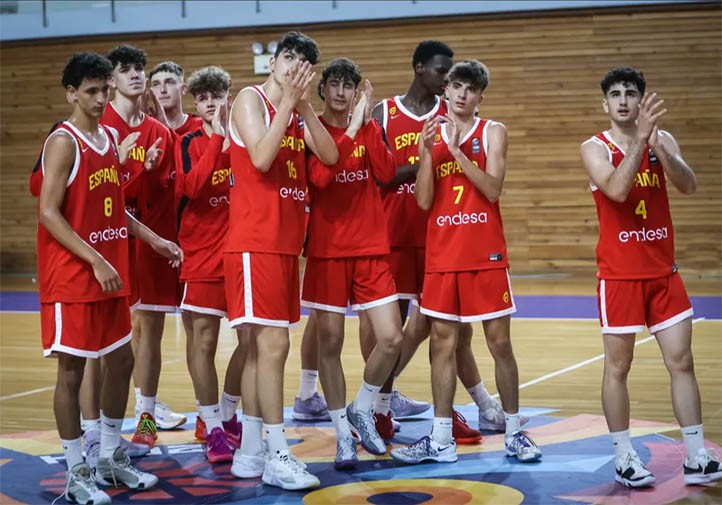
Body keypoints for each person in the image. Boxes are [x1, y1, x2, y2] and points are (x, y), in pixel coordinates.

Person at [37, 51, 181, 504]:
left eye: (104, 90)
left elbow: (113, 207)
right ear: (72, 93)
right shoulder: (64, 141)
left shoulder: (105, 139)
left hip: (110, 273)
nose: (100, 99)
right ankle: (76, 472)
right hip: (74, 277)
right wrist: (96, 259)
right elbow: (48, 212)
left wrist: (154, 240)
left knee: (121, 362)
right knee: (72, 371)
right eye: (92, 91)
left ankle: (111, 459)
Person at [391, 60, 541, 464]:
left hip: (484, 254)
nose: (460, 94)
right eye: (455, 86)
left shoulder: (493, 131)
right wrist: (427, 152)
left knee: (499, 343)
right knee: (442, 345)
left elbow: (493, 188)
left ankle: (513, 432)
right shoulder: (432, 135)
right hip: (442, 255)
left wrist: (455, 150)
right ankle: (440, 439)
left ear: (480, 96)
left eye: (469, 89)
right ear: (446, 91)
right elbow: (423, 201)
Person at [579, 67, 721, 487]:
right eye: (616, 94)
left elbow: (689, 185)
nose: (624, 100)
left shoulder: (663, 141)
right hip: (620, 276)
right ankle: (624, 457)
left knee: (682, 362)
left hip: (664, 272)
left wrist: (665, 151)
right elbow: (618, 191)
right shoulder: (594, 147)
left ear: (642, 101)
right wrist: (641, 143)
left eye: (631, 93)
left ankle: (696, 454)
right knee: (618, 367)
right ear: (605, 104)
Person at [370, 41, 512, 442]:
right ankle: (379, 406)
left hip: (440, 237)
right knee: (389, 328)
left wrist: (440, 155)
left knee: (449, 331)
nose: (450, 83)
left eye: (456, 79)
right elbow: (379, 174)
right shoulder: (385, 111)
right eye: (443, 75)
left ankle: (473, 406)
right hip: (395, 232)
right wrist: (423, 161)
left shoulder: (456, 116)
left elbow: (482, 173)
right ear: (420, 69)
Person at [225, 31, 338, 490]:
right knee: (273, 347)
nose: (294, 66)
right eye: (288, 58)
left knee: (260, 351)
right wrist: (290, 104)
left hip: (285, 246)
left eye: (303, 63)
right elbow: (262, 157)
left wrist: (305, 105)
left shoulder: (296, 112)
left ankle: (250, 451)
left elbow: (329, 156)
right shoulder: (251, 101)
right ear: (273, 63)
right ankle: (275, 453)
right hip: (255, 243)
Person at [302, 58, 403, 469]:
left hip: (370, 249)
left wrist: (365, 127)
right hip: (327, 251)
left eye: (349, 86)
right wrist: (349, 132)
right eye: (335, 85)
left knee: (392, 338)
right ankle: (343, 434)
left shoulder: (370, 127)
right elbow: (324, 178)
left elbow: (387, 171)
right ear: (323, 90)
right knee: (330, 344)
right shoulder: (310, 130)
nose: (342, 92)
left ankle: (362, 406)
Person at [102, 44, 186, 442]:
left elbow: (163, 198)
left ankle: (147, 416)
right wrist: (135, 167)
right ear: (112, 80)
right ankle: (99, 429)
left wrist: (148, 172)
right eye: (126, 69)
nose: (136, 75)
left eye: (140, 68)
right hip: (109, 244)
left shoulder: (159, 132)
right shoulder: (99, 126)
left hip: (147, 241)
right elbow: (98, 198)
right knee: (111, 338)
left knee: (149, 331)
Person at [174, 65, 246, 463]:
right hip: (201, 255)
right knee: (203, 343)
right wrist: (217, 138)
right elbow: (193, 187)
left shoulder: (245, 137)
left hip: (240, 254)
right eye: (203, 98)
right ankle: (212, 427)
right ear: (196, 103)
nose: (211, 103)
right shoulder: (187, 142)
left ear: (228, 97)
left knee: (252, 343)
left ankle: (229, 412)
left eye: (217, 95)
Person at [149, 60, 203, 136]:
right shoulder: (147, 126)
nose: (162, 90)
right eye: (156, 84)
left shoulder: (200, 125)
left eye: (169, 83)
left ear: (183, 89)